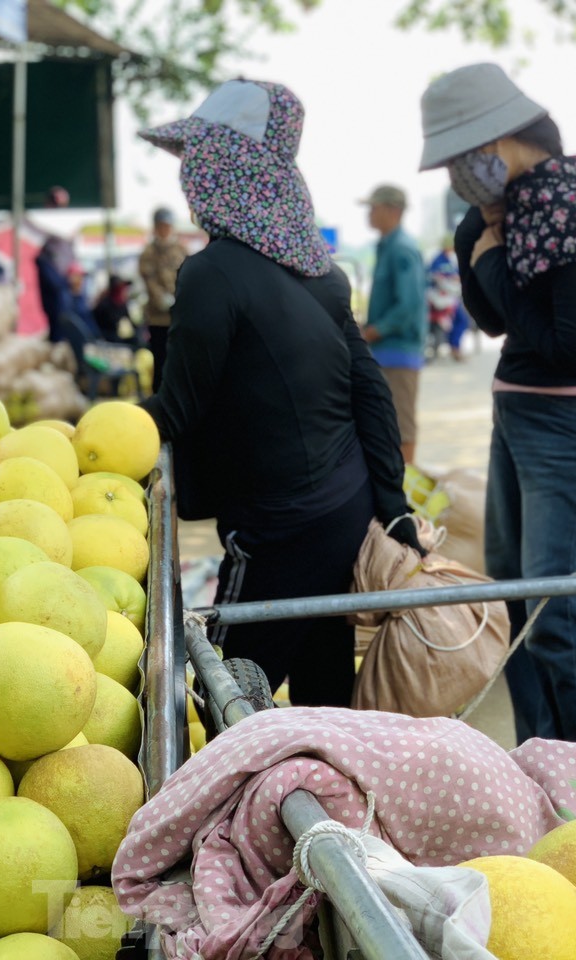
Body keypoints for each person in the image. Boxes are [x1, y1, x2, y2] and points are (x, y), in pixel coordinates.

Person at [139, 79, 421, 707]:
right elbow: (370, 394)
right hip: (343, 507)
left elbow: (177, 409)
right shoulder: (317, 270)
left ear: (222, 168)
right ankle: (332, 802)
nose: (187, 178)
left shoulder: (211, 273)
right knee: (323, 687)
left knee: (223, 696)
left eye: (195, 160)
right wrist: (392, 505)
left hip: (281, 528)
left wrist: (86, 436)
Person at [419, 62, 576, 750]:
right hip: (520, 417)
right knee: (515, 594)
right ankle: (541, 755)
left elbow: (567, 347)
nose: (456, 173)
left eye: (461, 158)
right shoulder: (513, 209)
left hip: (569, 424)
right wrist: (473, 240)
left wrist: (486, 260)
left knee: (559, 604)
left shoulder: (569, 202)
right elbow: (494, 325)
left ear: (501, 140)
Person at [360, 184, 427, 464]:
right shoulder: (389, 247)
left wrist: (372, 332)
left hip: (398, 351)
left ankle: (404, 493)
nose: (369, 214)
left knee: (401, 424)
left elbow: (408, 306)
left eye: (373, 208)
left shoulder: (401, 249)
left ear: (393, 210)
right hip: (386, 352)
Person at [137, 206, 187, 392]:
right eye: (161, 226)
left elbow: (189, 276)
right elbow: (149, 279)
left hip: (179, 317)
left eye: (167, 226)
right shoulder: (149, 253)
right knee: (160, 360)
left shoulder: (181, 250)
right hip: (158, 317)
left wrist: (181, 299)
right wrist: (163, 300)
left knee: (179, 361)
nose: (164, 230)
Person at [428, 236, 472, 361]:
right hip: (440, 299)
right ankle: (454, 348)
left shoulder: (450, 260)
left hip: (451, 298)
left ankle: (454, 347)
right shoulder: (438, 260)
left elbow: (458, 276)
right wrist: (450, 281)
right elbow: (437, 279)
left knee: (461, 321)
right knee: (460, 320)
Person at [92, 276, 138, 344]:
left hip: (124, 340)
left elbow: (130, 323)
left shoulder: (123, 305)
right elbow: (97, 325)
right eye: (121, 289)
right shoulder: (104, 305)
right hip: (109, 342)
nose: (124, 291)